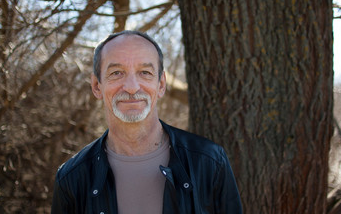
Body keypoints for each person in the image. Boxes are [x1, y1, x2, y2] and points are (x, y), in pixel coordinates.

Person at [51, 30, 242, 214]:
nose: (132, 88)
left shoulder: (210, 161)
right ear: (96, 86)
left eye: (145, 72)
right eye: (117, 73)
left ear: (161, 85)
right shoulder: (72, 178)